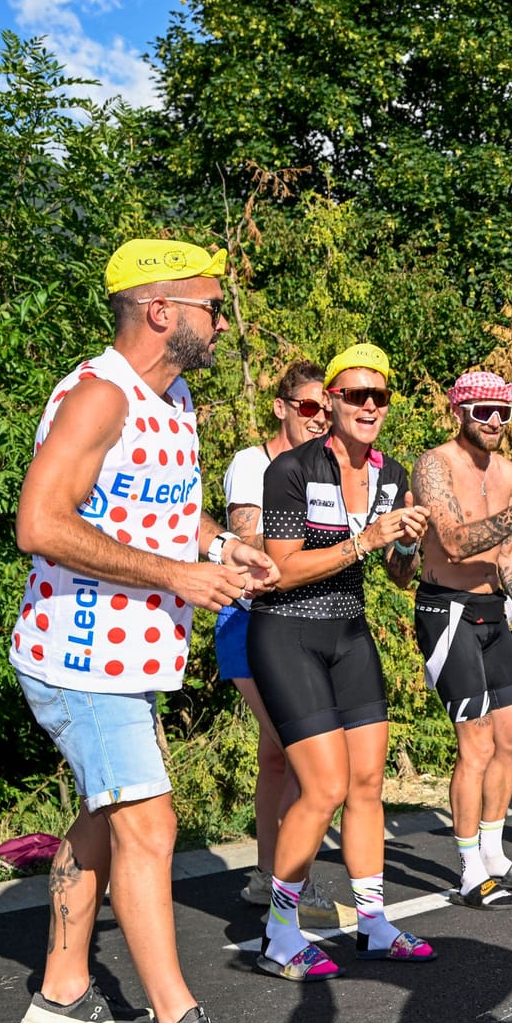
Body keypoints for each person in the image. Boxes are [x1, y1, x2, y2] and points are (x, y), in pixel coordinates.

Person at [11, 239, 275, 1023]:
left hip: (131, 658)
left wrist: (215, 550)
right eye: (211, 304)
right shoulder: (100, 397)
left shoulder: (177, 395)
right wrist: (175, 575)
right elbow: (39, 524)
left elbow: (164, 511)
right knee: (150, 826)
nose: (222, 319)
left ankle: (59, 995)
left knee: (107, 816)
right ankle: (176, 1021)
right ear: (162, 311)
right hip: (80, 657)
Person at [249, 342, 434, 980]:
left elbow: (398, 575)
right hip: (286, 634)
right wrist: (367, 539)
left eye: (379, 396)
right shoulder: (293, 469)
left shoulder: (391, 473)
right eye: (355, 394)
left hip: (349, 633)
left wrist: (408, 548)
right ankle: (278, 930)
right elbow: (278, 571)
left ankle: (375, 923)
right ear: (329, 402)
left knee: (367, 785)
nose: (368, 406)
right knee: (322, 786)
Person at [411, 371, 512, 909]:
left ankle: (496, 853)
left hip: (492, 610)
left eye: (503, 412)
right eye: (483, 412)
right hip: (446, 610)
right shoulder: (435, 465)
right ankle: (469, 868)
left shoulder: (506, 470)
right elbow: (453, 542)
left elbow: (507, 552)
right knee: (475, 744)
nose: (495, 422)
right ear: (459, 413)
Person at [218, 360, 350, 930]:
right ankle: (291, 884)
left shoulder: (326, 465)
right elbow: (258, 549)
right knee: (299, 749)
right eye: (308, 407)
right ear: (281, 407)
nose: (320, 418)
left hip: (305, 620)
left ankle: (265, 874)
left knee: (277, 754)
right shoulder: (252, 463)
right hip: (249, 623)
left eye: (327, 407)